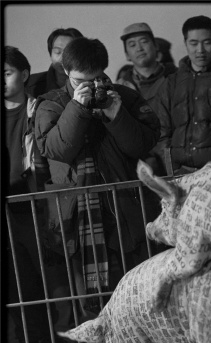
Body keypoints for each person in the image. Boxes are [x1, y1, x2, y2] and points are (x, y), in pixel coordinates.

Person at [34, 36, 161, 311]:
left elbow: (143, 143)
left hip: (124, 211)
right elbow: (57, 150)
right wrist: (77, 108)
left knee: (139, 293)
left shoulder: (123, 97)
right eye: (80, 81)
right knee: (92, 306)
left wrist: (117, 115)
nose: (89, 87)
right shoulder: (51, 104)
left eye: (95, 79)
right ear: (66, 71)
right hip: (77, 218)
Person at [4, 46, 53, 343]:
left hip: (33, 207)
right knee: (13, 294)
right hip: (7, 210)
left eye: (6, 72)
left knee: (41, 289)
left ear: (23, 73)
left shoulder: (39, 107)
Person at [153, 15, 211, 176]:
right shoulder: (172, 82)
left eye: (207, 42)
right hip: (183, 174)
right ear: (185, 43)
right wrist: (173, 171)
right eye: (193, 43)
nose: (200, 50)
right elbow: (162, 132)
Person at [117, 22, 177, 175]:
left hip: (175, 158)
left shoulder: (176, 78)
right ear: (126, 55)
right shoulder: (120, 89)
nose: (139, 48)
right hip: (140, 166)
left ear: (156, 46)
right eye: (132, 44)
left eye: (144, 41)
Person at [27, 27, 83, 98]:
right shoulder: (32, 84)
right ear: (50, 54)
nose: (62, 59)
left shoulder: (92, 83)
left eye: (68, 52)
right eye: (57, 52)